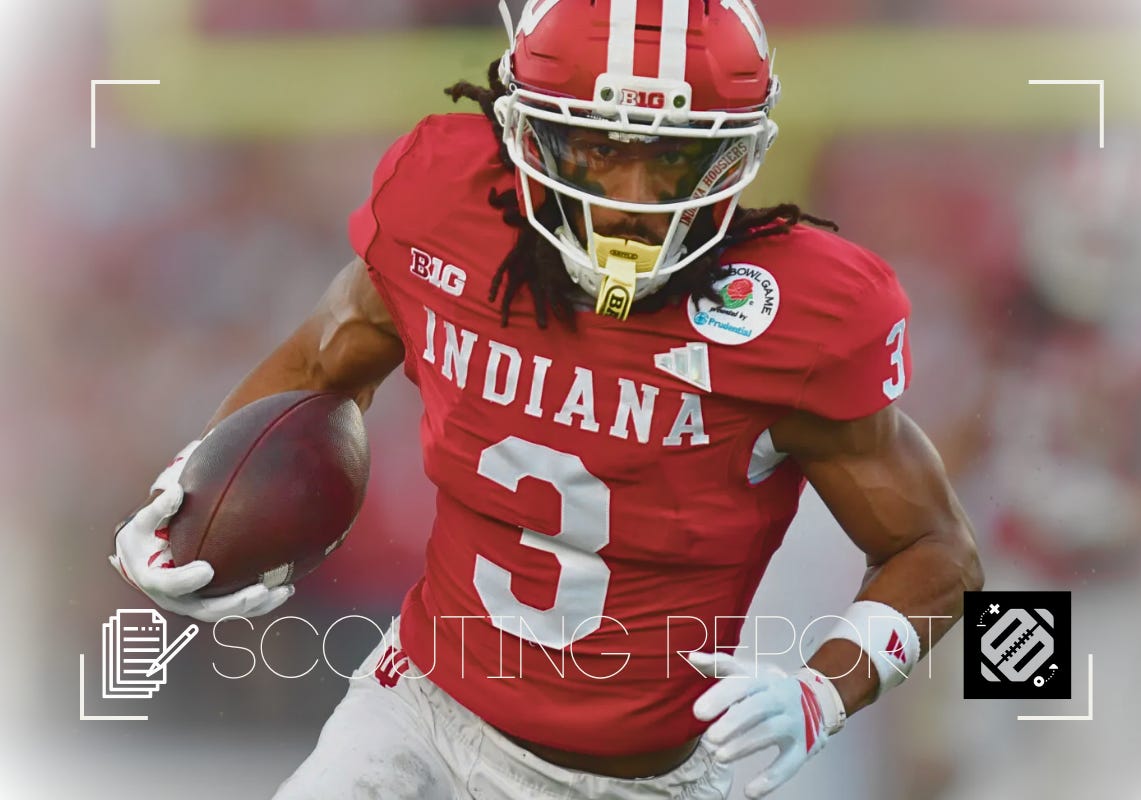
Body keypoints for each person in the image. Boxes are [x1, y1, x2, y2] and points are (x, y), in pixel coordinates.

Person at [109, 2, 983, 798]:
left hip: (645, 783)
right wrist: (188, 497)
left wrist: (823, 690)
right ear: (525, 134)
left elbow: (935, 547)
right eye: (600, 149)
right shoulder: (446, 215)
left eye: (673, 158)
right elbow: (316, 366)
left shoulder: (795, 320)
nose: (632, 203)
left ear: (734, 154)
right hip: (417, 717)